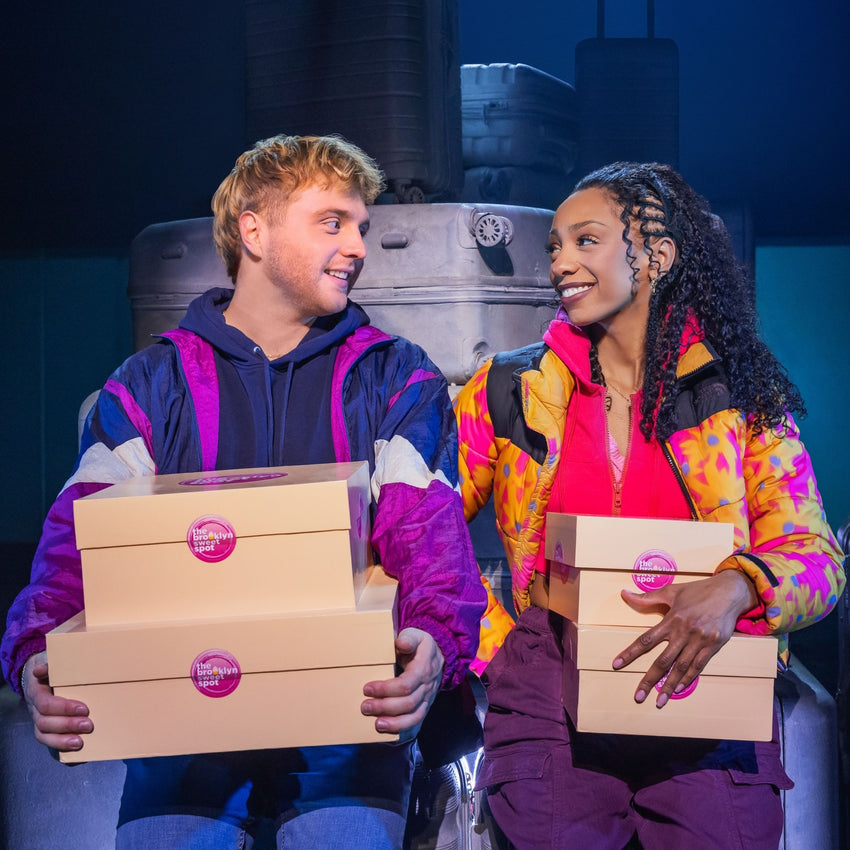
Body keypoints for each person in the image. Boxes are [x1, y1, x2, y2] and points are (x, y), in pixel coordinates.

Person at [1, 134, 486, 849]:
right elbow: (76, 546)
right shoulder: (148, 386)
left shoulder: (395, 377)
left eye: (362, 227)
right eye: (332, 222)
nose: (357, 247)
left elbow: (428, 538)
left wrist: (435, 642)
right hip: (182, 729)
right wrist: (37, 655)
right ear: (253, 231)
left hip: (345, 726)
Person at [454, 161, 846, 849]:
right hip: (548, 686)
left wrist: (738, 585)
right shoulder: (507, 387)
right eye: (554, 246)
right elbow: (425, 533)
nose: (560, 263)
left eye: (586, 240)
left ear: (657, 256)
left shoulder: (739, 396)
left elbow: (817, 558)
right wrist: (498, 645)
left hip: (704, 675)